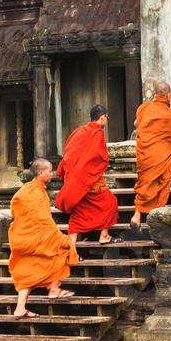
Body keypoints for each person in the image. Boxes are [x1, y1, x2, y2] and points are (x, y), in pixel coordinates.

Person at [9, 159, 78, 318]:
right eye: (49, 171)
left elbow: (16, 211)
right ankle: (54, 289)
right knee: (63, 250)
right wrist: (60, 238)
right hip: (33, 237)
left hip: (22, 236)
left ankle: (20, 308)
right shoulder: (35, 192)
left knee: (28, 271)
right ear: (40, 173)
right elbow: (42, 220)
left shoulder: (26, 190)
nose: (52, 174)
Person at [55, 104, 121, 245]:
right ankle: (104, 235)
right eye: (107, 117)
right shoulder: (97, 134)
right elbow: (98, 157)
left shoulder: (79, 131)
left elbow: (68, 152)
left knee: (79, 212)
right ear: (102, 117)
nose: (107, 120)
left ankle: (71, 248)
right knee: (110, 202)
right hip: (87, 179)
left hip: (73, 179)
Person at [130, 79, 171, 234]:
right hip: (161, 156)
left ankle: (137, 215)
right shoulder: (169, 115)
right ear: (168, 95)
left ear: (155, 93)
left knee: (145, 183)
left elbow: (138, 125)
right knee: (162, 181)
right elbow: (169, 138)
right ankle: (154, 220)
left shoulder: (143, 108)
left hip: (145, 156)